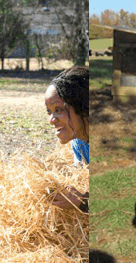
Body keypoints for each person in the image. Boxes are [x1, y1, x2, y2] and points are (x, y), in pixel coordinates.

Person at [44, 66, 89, 211]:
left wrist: (84, 201)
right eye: (48, 111)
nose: (51, 120)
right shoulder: (79, 142)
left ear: (83, 108)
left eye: (59, 110)